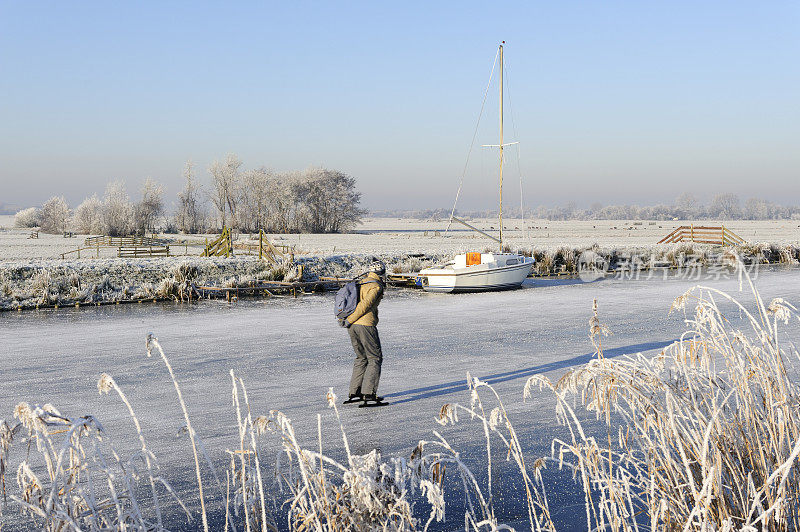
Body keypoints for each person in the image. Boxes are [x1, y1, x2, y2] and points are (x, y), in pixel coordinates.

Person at [339, 260, 386, 405]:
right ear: (382, 272)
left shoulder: (361, 282)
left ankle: (355, 391)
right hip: (364, 324)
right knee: (374, 358)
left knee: (361, 357)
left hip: (352, 326)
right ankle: (368, 393)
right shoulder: (376, 286)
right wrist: (349, 319)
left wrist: (348, 321)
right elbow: (364, 305)